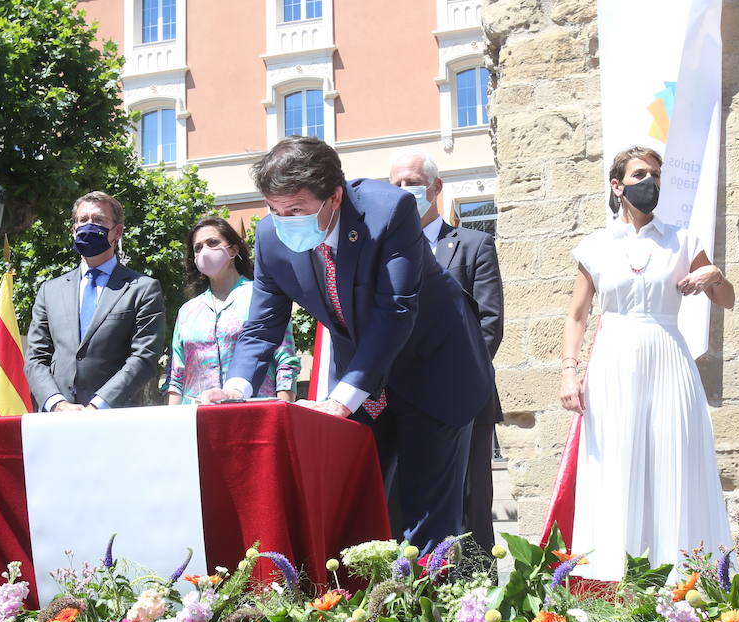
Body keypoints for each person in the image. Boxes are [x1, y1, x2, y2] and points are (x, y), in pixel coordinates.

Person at [204, 136, 493, 552]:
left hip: (434, 371)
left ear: (334, 197)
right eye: (275, 209)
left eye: (297, 210)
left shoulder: (388, 210)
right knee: (356, 512)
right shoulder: (271, 237)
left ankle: (433, 611)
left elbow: (395, 310)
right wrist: (237, 388)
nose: (285, 221)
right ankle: (361, 613)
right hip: (364, 380)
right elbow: (263, 323)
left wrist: (341, 400)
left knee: (427, 520)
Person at [557, 146, 735, 581]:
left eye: (655, 174)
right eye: (639, 174)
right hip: (613, 362)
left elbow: (726, 299)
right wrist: (569, 370)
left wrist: (715, 276)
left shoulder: (682, 238)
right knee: (615, 463)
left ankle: (684, 579)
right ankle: (613, 580)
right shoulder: (596, 246)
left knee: (675, 457)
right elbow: (577, 314)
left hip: (669, 358)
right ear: (617, 186)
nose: (650, 181)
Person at [389, 149, 504, 554]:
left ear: (435, 188)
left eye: (412, 183)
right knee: (405, 502)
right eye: (396, 185)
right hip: (399, 400)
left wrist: (448, 376)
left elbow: (489, 324)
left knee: (470, 499)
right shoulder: (385, 253)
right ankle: (418, 591)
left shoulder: (473, 245)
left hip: (462, 395)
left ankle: (478, 600)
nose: (404, 192)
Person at [25, 191, 165, 410]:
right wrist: (57, 403)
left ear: (117, 231)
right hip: (58, 420)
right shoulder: (49, 291)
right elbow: (36, 358)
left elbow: (144, 356)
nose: (89, 225)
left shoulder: (142, 288)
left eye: (99, 220)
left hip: (115, 418)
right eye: (83, 220)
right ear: (74, 230)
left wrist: (99, 405)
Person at [166, 216, 300, 404]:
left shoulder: (262, 297)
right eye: (198, 247)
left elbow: (285, 360)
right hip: (198, 418)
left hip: (254, 411)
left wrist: (283, 413)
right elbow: (176, 376)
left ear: (234, 249)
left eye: (212, 242)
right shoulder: (187, 311)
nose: (205, 250)